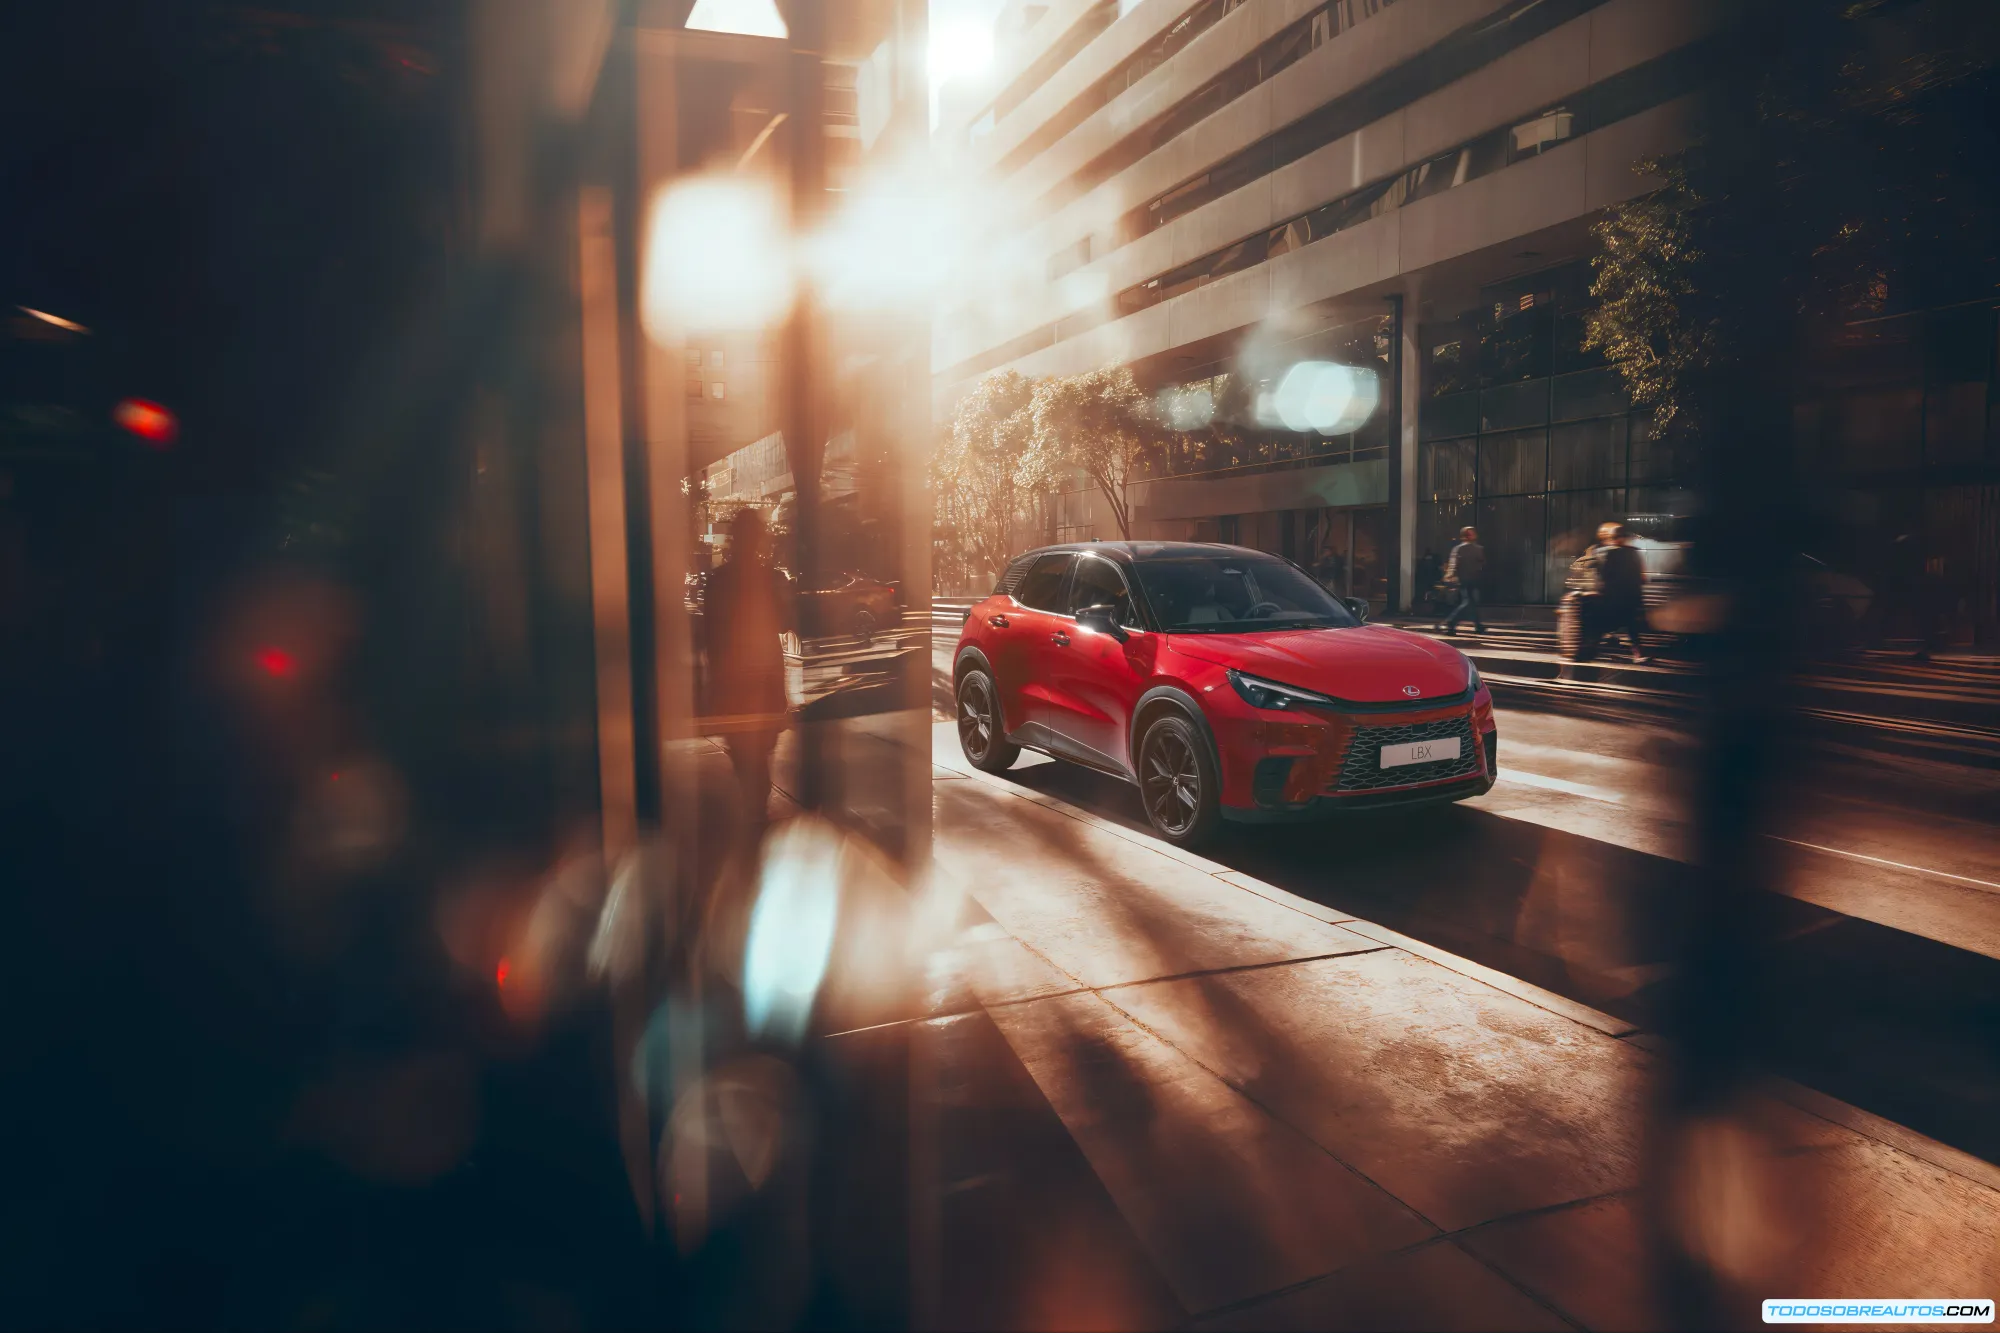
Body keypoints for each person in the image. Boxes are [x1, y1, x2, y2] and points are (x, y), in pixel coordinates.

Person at [704, 508, 794, 838]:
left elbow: (709, 634)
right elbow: (786, 622)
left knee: (745, 745)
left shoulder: (718, 581)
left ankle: (753, 798)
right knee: (759, 743)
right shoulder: (772, 578)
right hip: (762, 673)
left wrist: (713, 679)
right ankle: (756, 801)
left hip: (735, 675)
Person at [1592, 521, 1650, 664]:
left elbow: (1603, 576)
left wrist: (1600, 592)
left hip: (1613, 598)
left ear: (1613, 538)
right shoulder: (1634, 552)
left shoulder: (1607, 554)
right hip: (1630, 597)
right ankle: (1637, 653)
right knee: (1631, 626)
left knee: (1602, 624)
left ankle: (1592, 649)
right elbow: (1642, 578)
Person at [1441, 526, 1487, 635]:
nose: (1472, 535)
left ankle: (1478, 625)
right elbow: (1454, 564)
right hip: (1464, 579)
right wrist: (1450, 575)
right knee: (1468, 602)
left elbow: (1482, 564)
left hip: (1472, 579)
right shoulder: (1461, 549)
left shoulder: (1477, 549)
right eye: (1470, 534)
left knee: (1470, 602)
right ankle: (1451, 622)